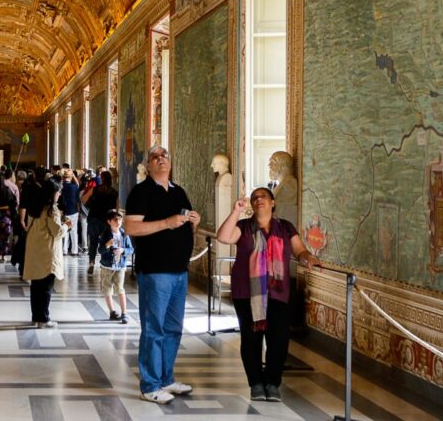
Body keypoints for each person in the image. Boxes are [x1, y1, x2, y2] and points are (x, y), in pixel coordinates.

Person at [216, 186, 319, 403]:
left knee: (279, 339)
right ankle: (255, 383)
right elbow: (223, 237)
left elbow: (300, 250)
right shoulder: (243, 227)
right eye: (255, 198)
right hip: (247, 293)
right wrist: (235, 211)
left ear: (273, 202)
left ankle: (272, 383)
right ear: (251, 205)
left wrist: (308, 258)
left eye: (263, 196)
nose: (259, 199)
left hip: (277, 292)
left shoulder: (285, 228)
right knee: (251, 339)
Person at [125, 146, 199, 405]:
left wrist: (194, 221)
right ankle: (150, 384)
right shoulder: (141, 192)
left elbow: (186, 222)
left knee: (173, 329)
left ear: (170, 161)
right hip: (155, 271)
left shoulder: (179, 191)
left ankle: (166, 377)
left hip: (179, 270)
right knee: (154, 329)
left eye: (165, 155)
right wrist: (167, 222)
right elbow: (131, 227)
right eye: (155, 156)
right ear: (148, 164)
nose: (161, 159)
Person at [22, 180, 67, 328]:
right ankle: (44, 319)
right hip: (47, 251)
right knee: (46, 287)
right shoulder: (51, 209)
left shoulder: (35, 207)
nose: (60, 194)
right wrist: (67, 225)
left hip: (35, 250)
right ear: (52, 193)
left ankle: (36, 316)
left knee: (36, 286)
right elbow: (57, 231)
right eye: (58, 191)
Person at [96, 208, 133, 323]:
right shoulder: (105, 234)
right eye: (115, 220)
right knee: (107, 289)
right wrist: (107, 245)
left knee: (120, 289)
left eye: (120, 220)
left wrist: (123, 250)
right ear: (109, 221)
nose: (118, 222)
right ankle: (112, 312)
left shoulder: (124, 234)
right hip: (107, 267)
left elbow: (131, 249)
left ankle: (124, 312)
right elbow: (100, 251)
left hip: (120, 266)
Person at [83, 170, 118, 274]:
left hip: (94, 218)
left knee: (93, 242)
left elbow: (83, 199)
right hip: (107, 221)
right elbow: (116, 208)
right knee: (105, 242)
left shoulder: (95, 189)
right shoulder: (114, 192)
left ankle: (91, 263)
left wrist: (91, 204)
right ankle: (105, 263)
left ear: (101, 179)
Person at [59, 169, 81, 255]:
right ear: (71, 177)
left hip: (63, 211)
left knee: (64, 230)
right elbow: (78, 200)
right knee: (74, 231)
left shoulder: (60, 186)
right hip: (73, 210)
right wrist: (73, 176)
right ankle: (74, 250)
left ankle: (64, 250)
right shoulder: (74, 187)